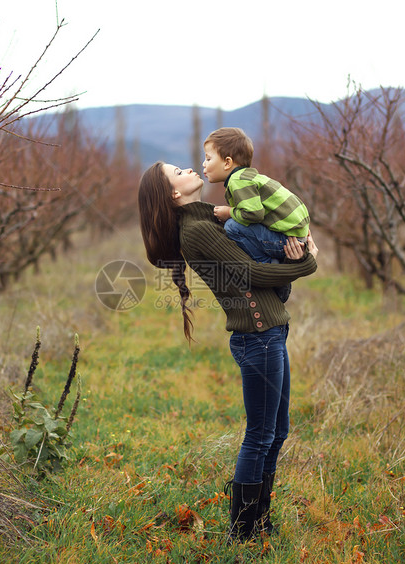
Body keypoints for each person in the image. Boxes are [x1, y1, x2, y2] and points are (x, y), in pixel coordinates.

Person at [137, 161, 319, 542]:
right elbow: (251, 274)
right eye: (178, 171)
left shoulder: (212, 222)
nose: (190, 167)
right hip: (258, 337)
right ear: (173, 194)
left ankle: (259, 522)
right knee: (260, 435)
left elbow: (262, 267)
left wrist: (289, 255)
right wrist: (306, 265)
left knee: (276, 432)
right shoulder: (199, 230)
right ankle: (242, 532)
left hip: (269, 332)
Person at [203, 127, 310, 303]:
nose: (204, 164)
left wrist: (229, 212)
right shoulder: (250, 177)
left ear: (227, 162)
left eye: (208, 158)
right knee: (238, 226)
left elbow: (254, 214)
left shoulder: (238, 181)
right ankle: (273, 269)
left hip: (288, 240)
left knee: (232, 226)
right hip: (295, 236)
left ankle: (270, 268)